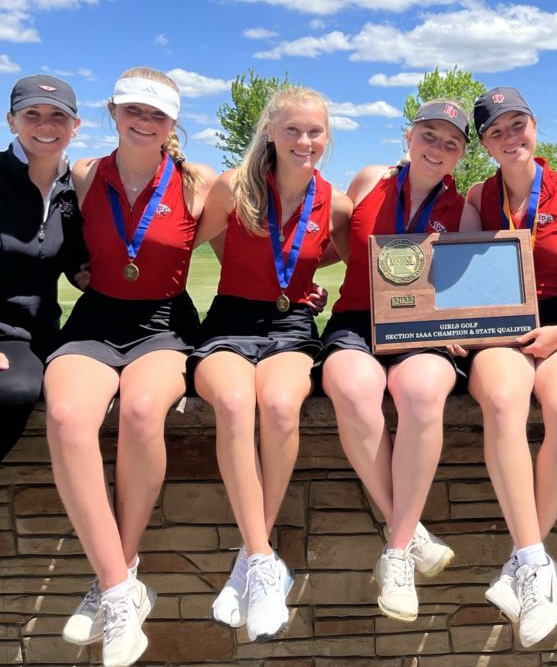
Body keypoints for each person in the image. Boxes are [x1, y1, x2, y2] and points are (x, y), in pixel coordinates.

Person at [44, 67, 216, 667]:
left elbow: (254, 248)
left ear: (174, 123)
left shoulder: (198, 182)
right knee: (66, 416)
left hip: (165, 323)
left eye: (159, 115)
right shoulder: (86, 173)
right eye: (133, 110)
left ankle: (116, 575)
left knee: (144, 411)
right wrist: (73, 271)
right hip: (96, 319)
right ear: (113, 111)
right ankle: (121, 589)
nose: (145, 122)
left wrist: (300, 293)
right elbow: (62, 241)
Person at [190, 86, 349, 641]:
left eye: (315, 131)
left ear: (327, 137)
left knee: (280, 405)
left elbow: (367, 266)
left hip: (291, 328)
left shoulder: (337, 201)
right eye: (293, 130)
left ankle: (249, 562)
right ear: (270, 133)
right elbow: (178, 243)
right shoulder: (235, 188)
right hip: (229, 323)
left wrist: (304, 287)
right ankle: (262, 559)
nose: (305, 141)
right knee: (235, 402)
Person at [318, 100, 474, 622]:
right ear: (409, 137)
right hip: (357, 320)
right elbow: (327, 244)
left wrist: (460, 325)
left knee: (423, 392)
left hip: (423, 330)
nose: (438, 147)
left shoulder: (465, 207)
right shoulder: (366, 180)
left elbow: (469, 280)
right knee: (355, 389)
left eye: (451, 142)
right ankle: (410, 534)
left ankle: (395, 555)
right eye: (429, 134)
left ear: (461, 155)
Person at [465, 87, 557, 648]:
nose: (510, 136)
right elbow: (466, 280)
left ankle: (525, 562)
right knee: (502, 400)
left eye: (517, 123)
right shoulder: (478, 196)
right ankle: (535, 563)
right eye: (496, 131)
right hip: (498, 326)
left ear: (534, 125)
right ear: (485, 144)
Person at [1, 76, 87, 462]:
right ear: (11, 121)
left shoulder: (77, 189)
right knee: (15, 389)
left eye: (58, 115)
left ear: (75, 126)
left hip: (43, 336)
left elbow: (76, 262)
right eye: (32, 114)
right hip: (4, 334)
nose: (46, 125)